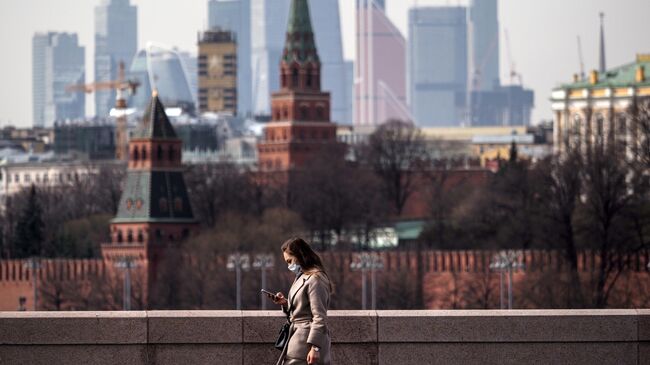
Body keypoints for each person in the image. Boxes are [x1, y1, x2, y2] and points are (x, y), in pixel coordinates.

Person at [269, 237, 332, 365]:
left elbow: (319, 316)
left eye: (290, 261)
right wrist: (285, 303)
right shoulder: (304, 277)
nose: (289, 266)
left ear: (299, 256)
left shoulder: (315, 279)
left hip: (305, 342)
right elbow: (302, 309)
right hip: (298, 339)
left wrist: (315, 347)